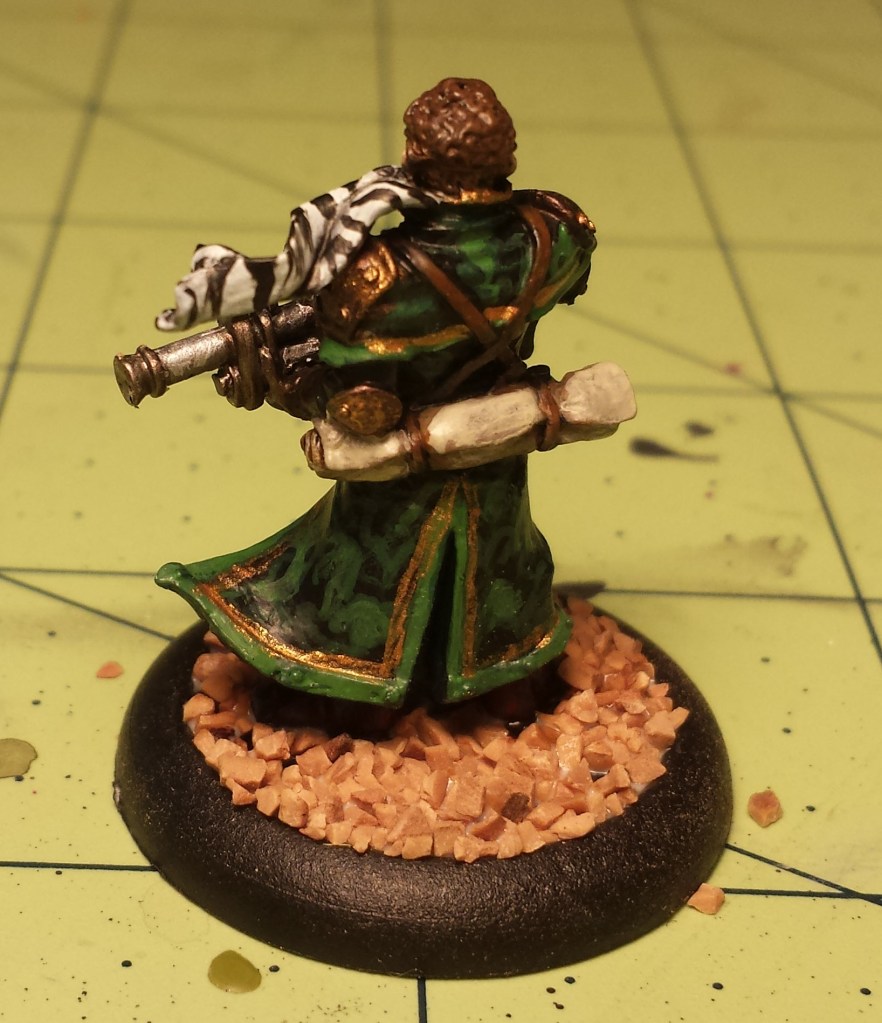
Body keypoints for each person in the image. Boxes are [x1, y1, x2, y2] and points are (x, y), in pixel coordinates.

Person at [154, 78, 599, 709]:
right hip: (506, 437)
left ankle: (349, 689)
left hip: (403, 470)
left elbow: (353, 409)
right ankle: (494, 664)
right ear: (507, 156)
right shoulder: (559, 233)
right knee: (494, 558)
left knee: (361, 581)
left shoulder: (378, 278)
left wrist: (272, 382)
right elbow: (556, 293)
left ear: (416, 157)